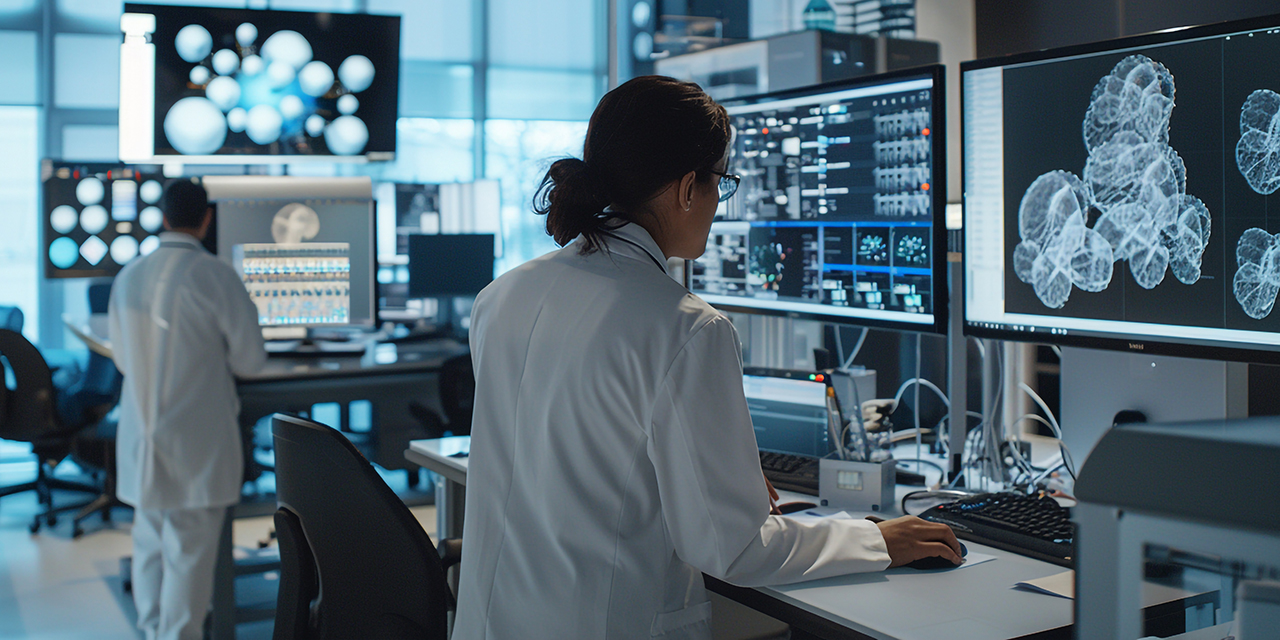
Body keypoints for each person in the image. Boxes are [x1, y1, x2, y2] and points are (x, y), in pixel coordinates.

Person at [454, 76, 962, 640]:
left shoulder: (501, 295)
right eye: (723, 181)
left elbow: (569, 462)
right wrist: (876, 540)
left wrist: (714, 479)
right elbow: (734, 549)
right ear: (687, 188)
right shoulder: (686, 328)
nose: (721, 201)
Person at [108, 179, 266, 640]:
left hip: (142, 439)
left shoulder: (128, 276)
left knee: (150, 543)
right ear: (207, 218)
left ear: (163, 215)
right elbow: (251, 361)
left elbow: (120, 358)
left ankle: (155, 630)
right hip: (195, 444)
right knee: (189, 554)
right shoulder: (215, 275)